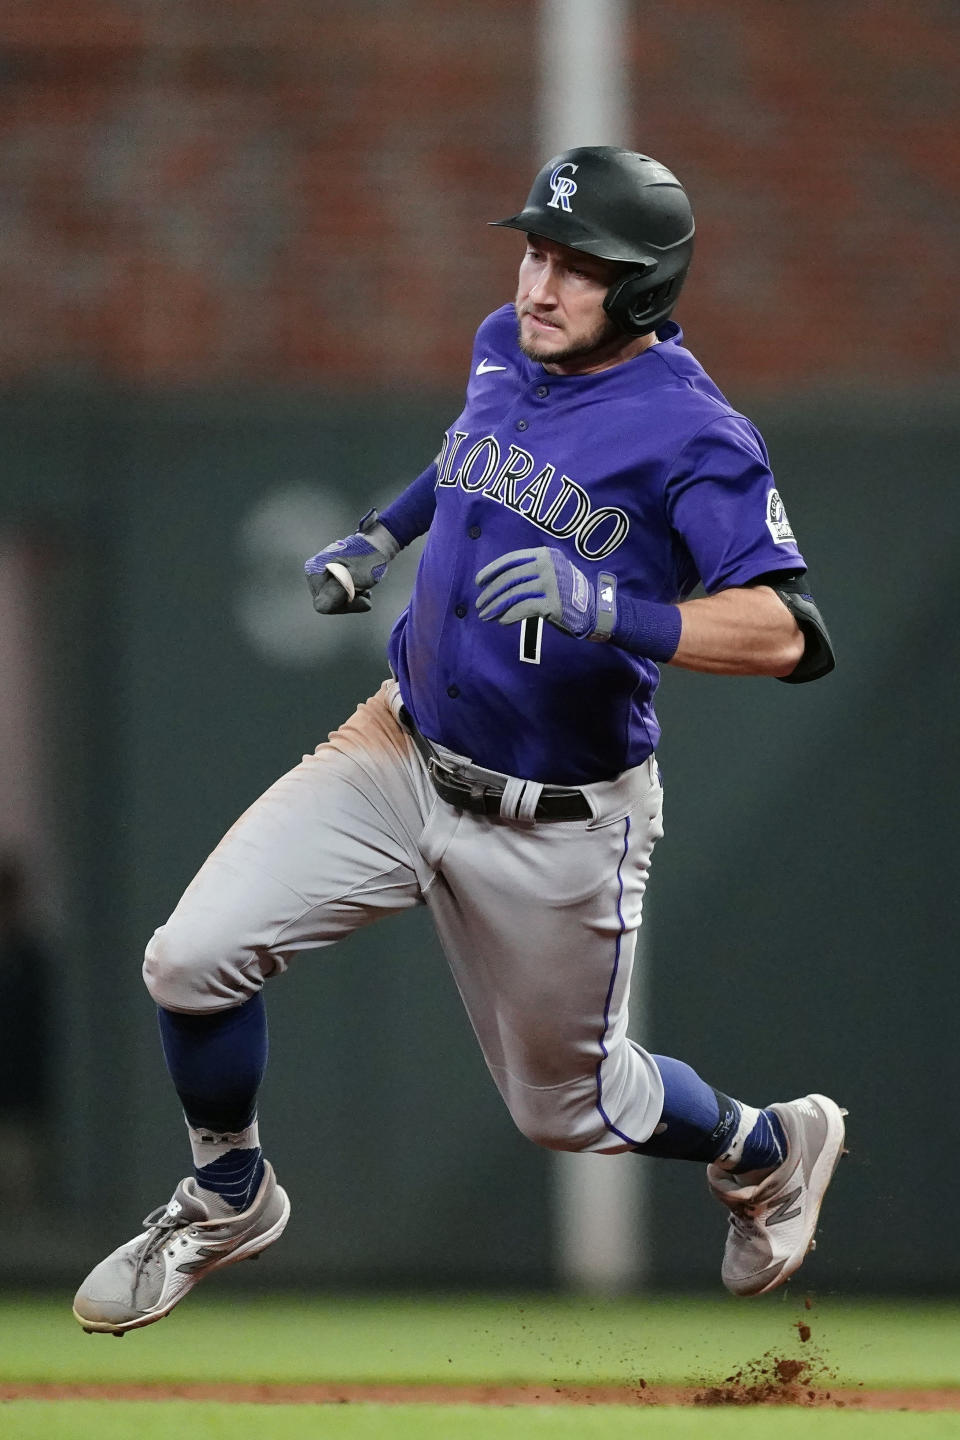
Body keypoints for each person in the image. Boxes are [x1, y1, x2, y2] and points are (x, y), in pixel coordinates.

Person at [74, 146, 844, 1335]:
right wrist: (378, 538)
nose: (540, 284)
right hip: (398, 748)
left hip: (559, 816)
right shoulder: (507, 341)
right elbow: (466, 456)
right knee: (189, 959)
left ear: (641, 288)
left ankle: (767, 1145)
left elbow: (790, 632)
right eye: (536, 250)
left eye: (577, 267)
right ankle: (229, 1193)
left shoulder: (696, 435)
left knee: (571, 1110)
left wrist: (611, 611)